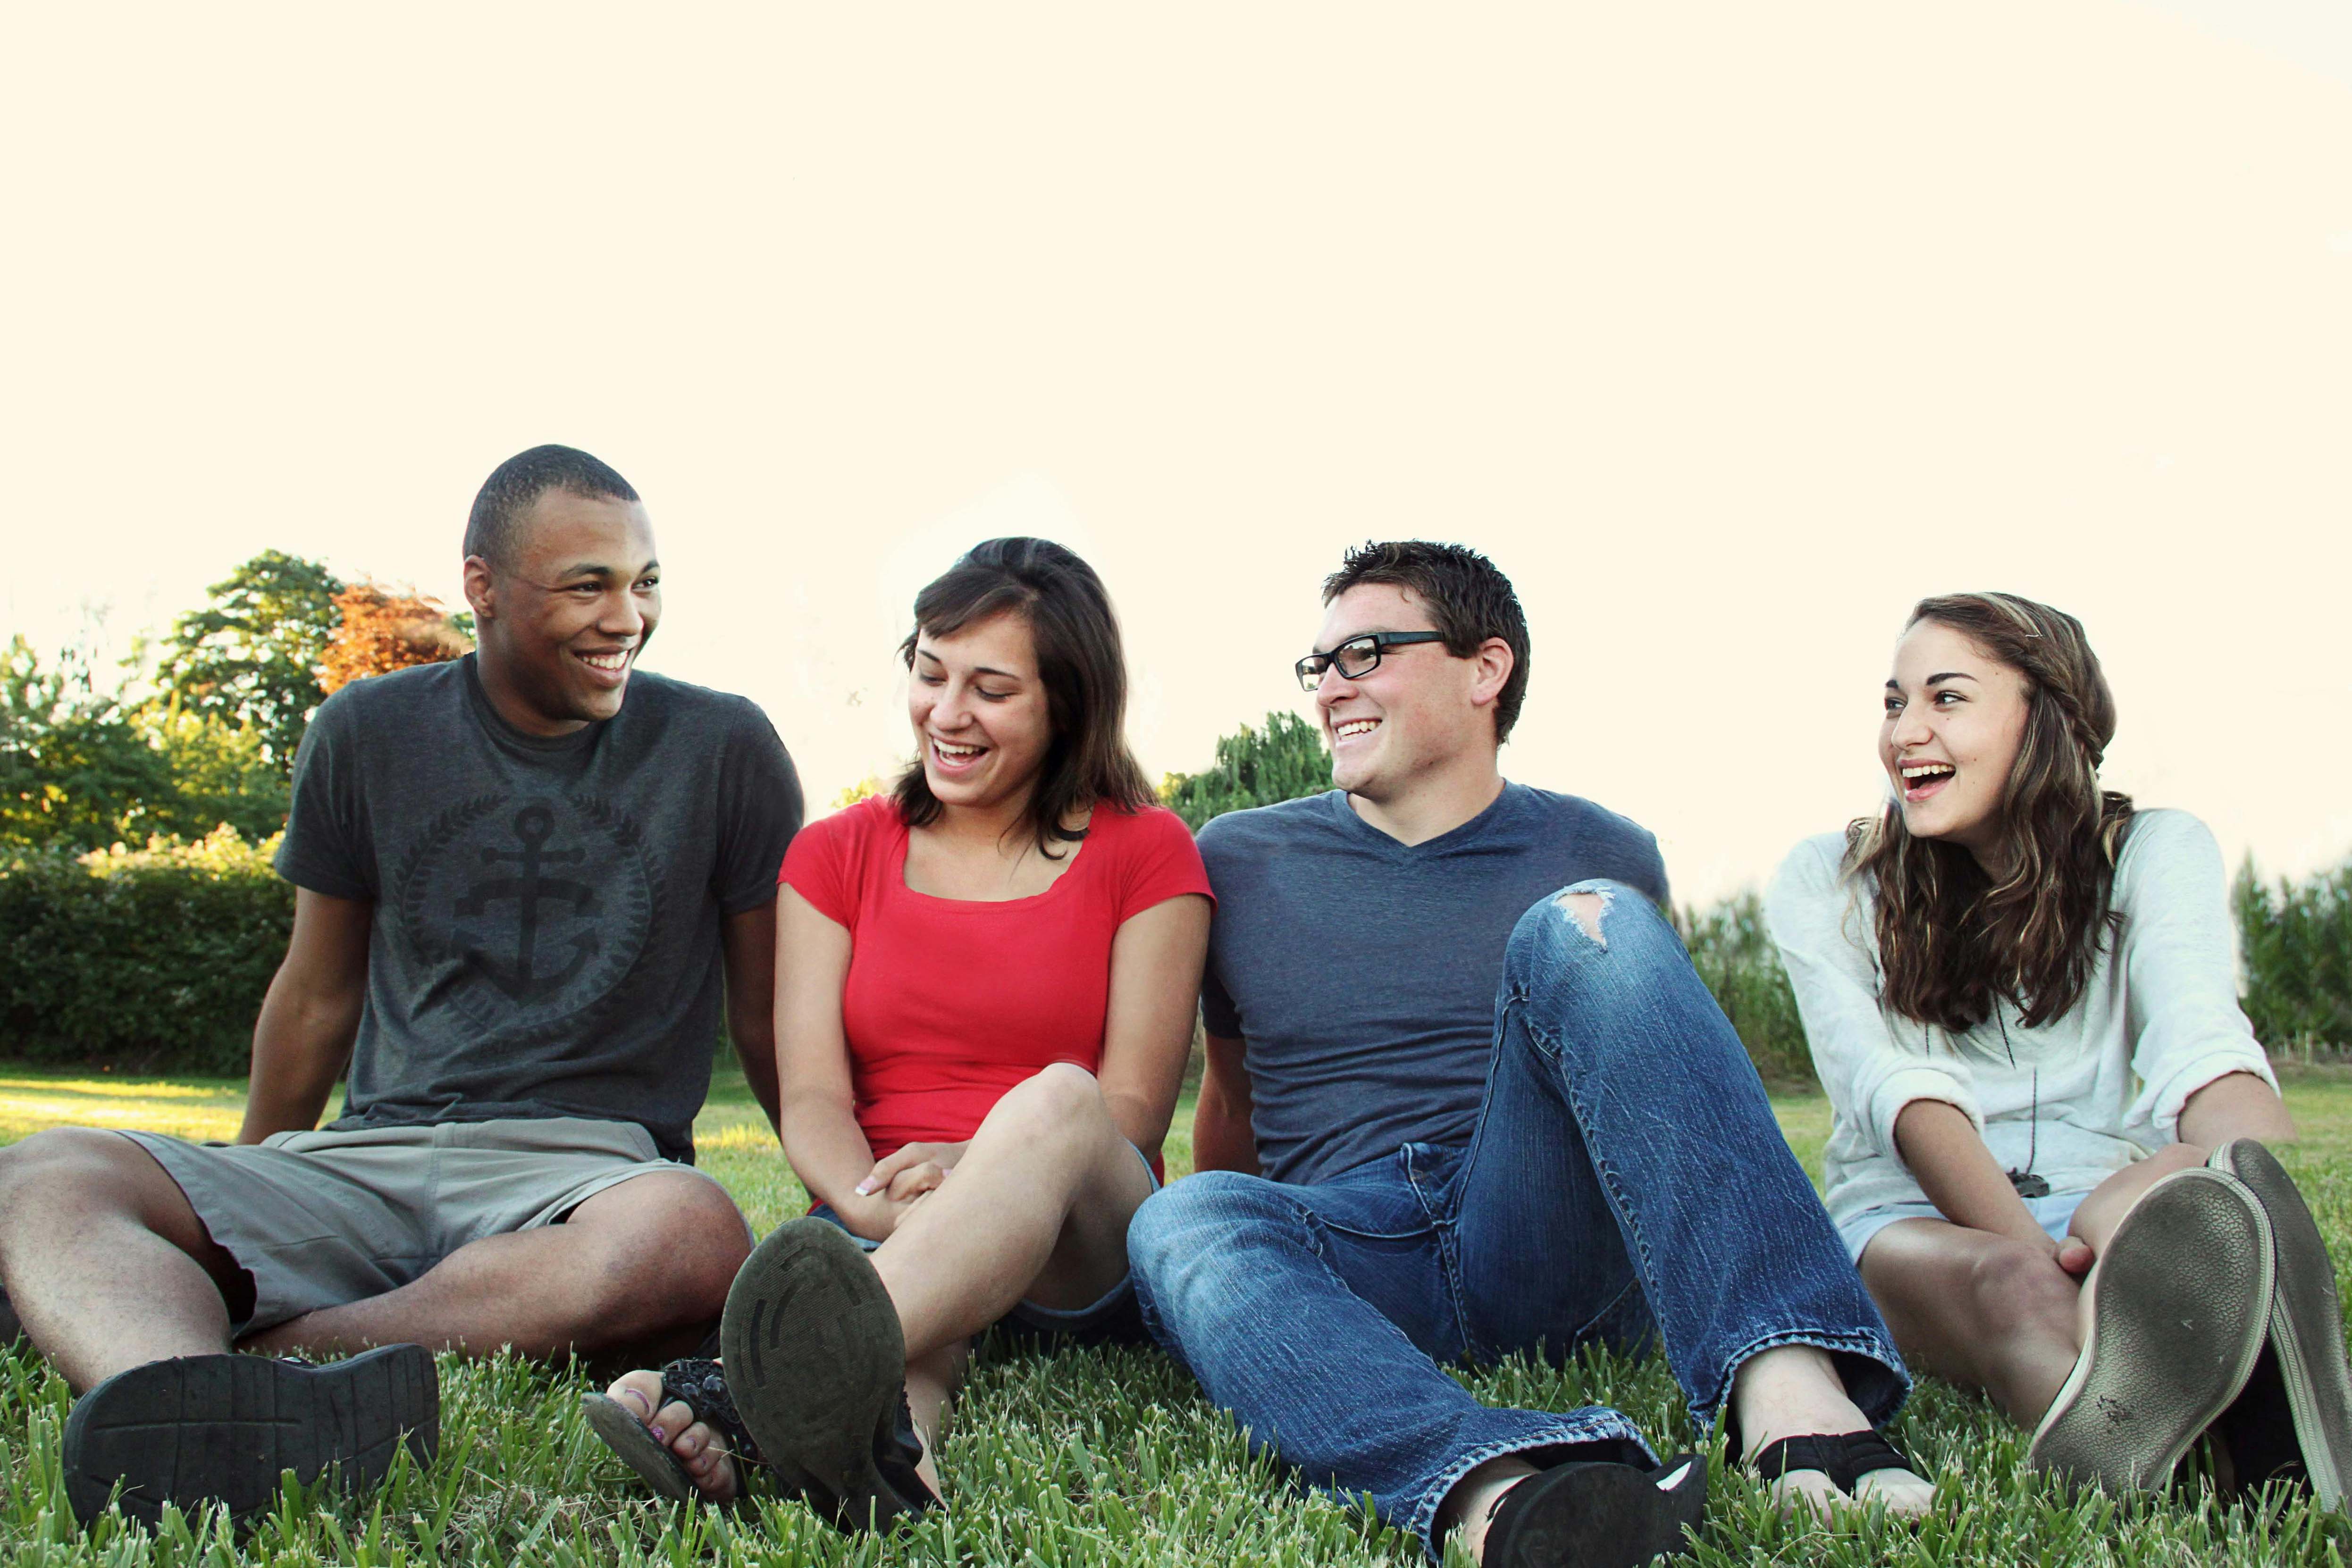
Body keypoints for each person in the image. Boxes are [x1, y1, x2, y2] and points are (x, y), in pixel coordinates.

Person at [0, 444, 804, 1529]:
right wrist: (234, 1188)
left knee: (697, 1235)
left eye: (645, 581)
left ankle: (254, 1369)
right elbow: (315, 995)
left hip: (586, 1171)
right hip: (366, 1154)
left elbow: (765, 1013)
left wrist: (827, 1194)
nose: (629, 616)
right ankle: (170, 1378)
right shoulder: (367, 732)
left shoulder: (724, 747)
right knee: (46, 1172)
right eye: (588, 585)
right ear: (481, 586)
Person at [1125, 541, 1934, 1568]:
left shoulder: (1605, 851)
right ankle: (1492, 1489)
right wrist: (1231, 1293)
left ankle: (1784, 1382)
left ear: (1484, 669)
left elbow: (1652, 1084)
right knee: (1181, 1213)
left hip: (1540, 1231)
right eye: (1317, 665)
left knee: (1583, 924)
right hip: (1358, 1250)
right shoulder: (1236, 858)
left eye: (1364, 654)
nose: (1329, 689)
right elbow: (1230, 1105)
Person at [588, 537, 1212, 1531]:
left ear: (1069, 701)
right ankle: (887, 1470)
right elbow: (812, 1098)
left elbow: (1131, 1104)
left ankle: (739, 1386)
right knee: (909, 1319)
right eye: (929, 674)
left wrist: (976, 1170)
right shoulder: (833, 855)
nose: (946, 714)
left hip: (1077, 1235)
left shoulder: (1148, 848)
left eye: (992, 689)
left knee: (1055, 1096)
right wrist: (880, 1208)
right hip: (882, 1216)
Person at [1765, 591, 2352, 1503]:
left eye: (1945, 699)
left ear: (2045, 718)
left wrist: (2250, 1183)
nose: (1904, 733)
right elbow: (1900, 1096)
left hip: (2103, 1195)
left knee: (2159, 1203)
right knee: (2015, 1288)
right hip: (1914, 1215)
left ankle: (2248, 1367)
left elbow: (2201, 1041)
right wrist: (2051, 1263)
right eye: (1894, 703)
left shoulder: (2157, 851)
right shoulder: (1829, 883)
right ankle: (2205, 1469)